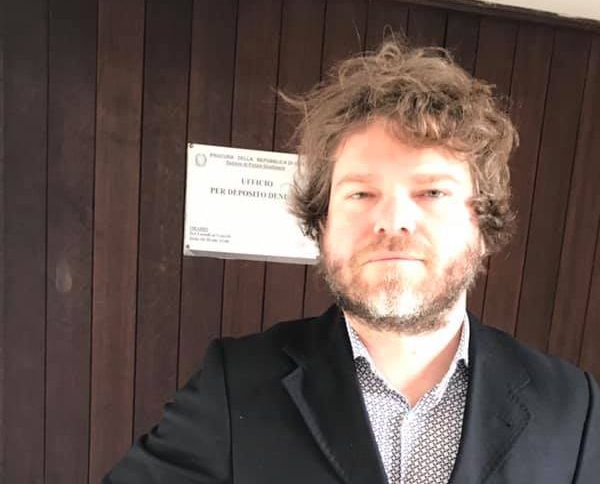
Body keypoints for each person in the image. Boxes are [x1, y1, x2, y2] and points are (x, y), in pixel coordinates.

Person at [104, 39, 600, 483]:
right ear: (321, 224)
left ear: (482, 221)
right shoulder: (234, 385)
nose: (393, 221)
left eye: (431, 192)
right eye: (361, 193)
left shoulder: (573, 407)